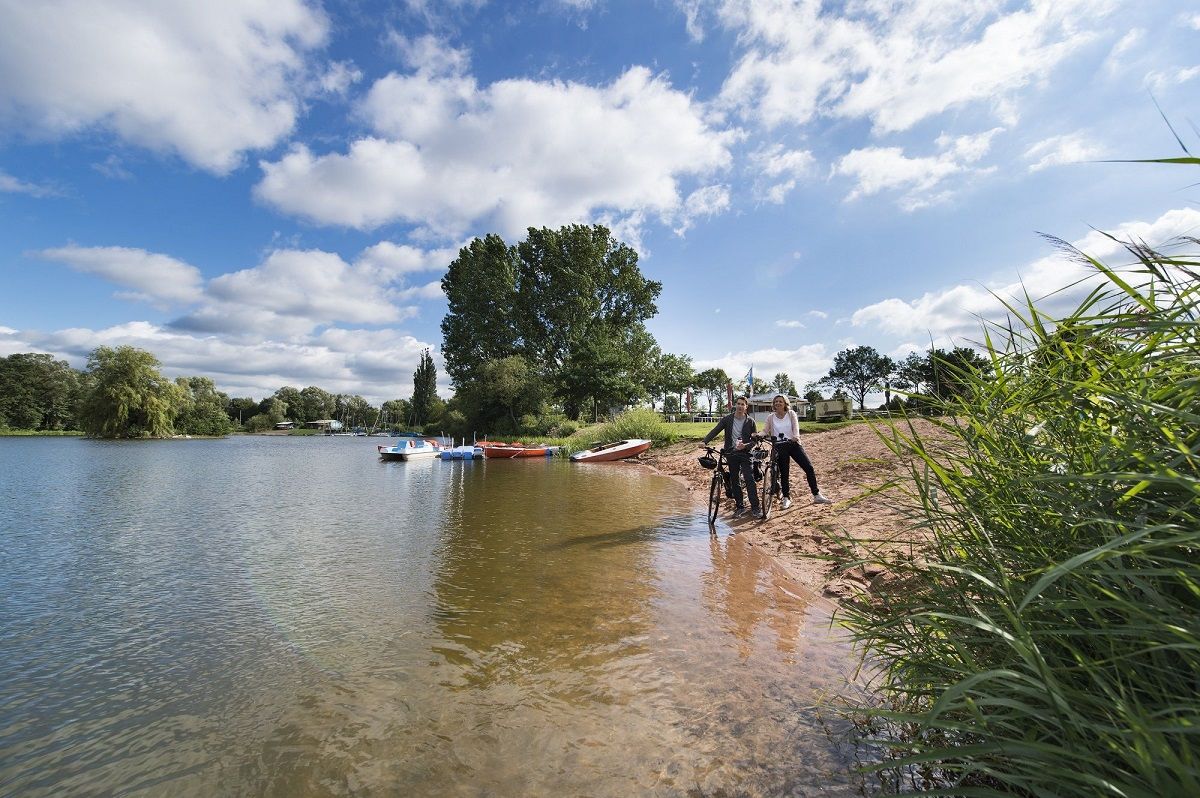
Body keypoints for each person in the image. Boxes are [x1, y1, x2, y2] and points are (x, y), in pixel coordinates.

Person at [762, 394, 832, 508]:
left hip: (793, 444)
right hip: (780, 446)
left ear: (785, 403)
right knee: (784, 473)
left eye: (780, 401)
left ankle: (816, 494)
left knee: (808, 467)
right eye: (776, 402)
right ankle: (786, 498)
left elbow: (796, 428)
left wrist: (795, 436)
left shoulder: (791, 414)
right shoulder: (771, 417)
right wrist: (758, 435)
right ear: (773, 404)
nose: (778, 403)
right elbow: (765, 430)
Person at [702, 395, 760, 518]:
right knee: (735, 481)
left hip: (745, 454)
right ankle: (740, 507)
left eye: (742, 404)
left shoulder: (751, 422)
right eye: (738, 404)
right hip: (731, 453)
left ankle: (755, 507)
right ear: (735, 405)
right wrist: (705, 441)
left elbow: (755, 441)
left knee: (749, 479)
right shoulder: (727, 419)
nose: (739, 406)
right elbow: (715, 430)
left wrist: (745, 446)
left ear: (746, 407)